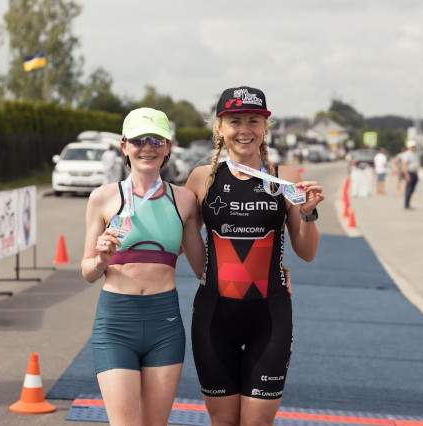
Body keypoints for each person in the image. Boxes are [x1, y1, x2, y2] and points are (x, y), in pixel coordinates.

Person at [185, 86, 324, 426]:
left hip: (270, 317)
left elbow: (306, 252)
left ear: (265, 127)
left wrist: (308, 214)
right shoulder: (202, 179)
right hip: (214, 317)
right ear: (220, 127)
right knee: (223, 422)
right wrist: (216, 275)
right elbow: (184, 238)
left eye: (253, 121)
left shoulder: (284, 178)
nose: (244, 130)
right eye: (235, 121)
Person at [81, 107, 206, 426]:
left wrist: (272, 272)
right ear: (124, 146)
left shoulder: (184, 200)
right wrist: (101, 260)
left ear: (168, 146)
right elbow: (87, 272)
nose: (147, 147)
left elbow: (204, 269)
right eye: (138, 140)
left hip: (165, 325)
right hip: (115, 324)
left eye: (156, 140)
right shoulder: (102, 198)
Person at [401, 140, 420, 210]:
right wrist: (406, 175)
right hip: (409, 173)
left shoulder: (415, 154)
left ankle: (409, 203)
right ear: (409, 147)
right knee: (409, 189)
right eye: (412, 147)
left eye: (414, 147)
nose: (413, 148)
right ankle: (406, 204)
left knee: (412, 190)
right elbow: (404, 165)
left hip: (414, 173)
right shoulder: (407, 154)